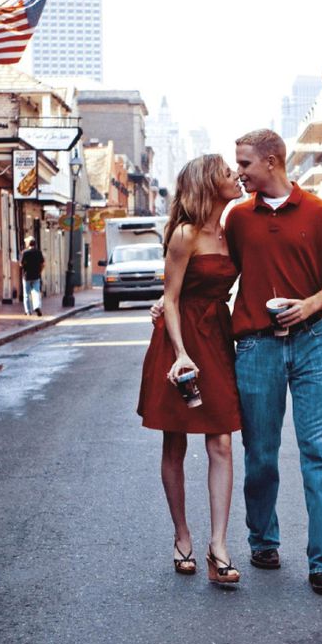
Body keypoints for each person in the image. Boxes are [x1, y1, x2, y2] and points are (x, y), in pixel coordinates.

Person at [228, 129, 322, 596]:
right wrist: (172, 302)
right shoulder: (238, 219)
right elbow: (218, 275)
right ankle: (263, 539)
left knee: (319, 454)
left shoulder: (321, 213)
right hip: (257, 348)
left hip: (312, 343)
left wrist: (311, 304)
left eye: (244, 164)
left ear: (271, 162)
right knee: (259, 453)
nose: (239, 172)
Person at [137, 154, 244, 586]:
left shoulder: (232, 231)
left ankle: (218, 545)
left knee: (221, 441)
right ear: (207, 184)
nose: (235, 176)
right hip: (180, 342)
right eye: (227, 173)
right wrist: (181, 354)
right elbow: (172, 298)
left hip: (216, 336)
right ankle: (182, 536)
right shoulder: (184, 235)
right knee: (175, 440)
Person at [20, 237, 45, 316]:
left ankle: (28, 311)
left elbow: (21, 264)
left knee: (26, 294)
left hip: (26, 276)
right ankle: (37, 307)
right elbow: (43, 264)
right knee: (36, 292)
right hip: (36, 276)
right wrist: (40, 271)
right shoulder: (38, 252)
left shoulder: (25, 252)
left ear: (28, 244)